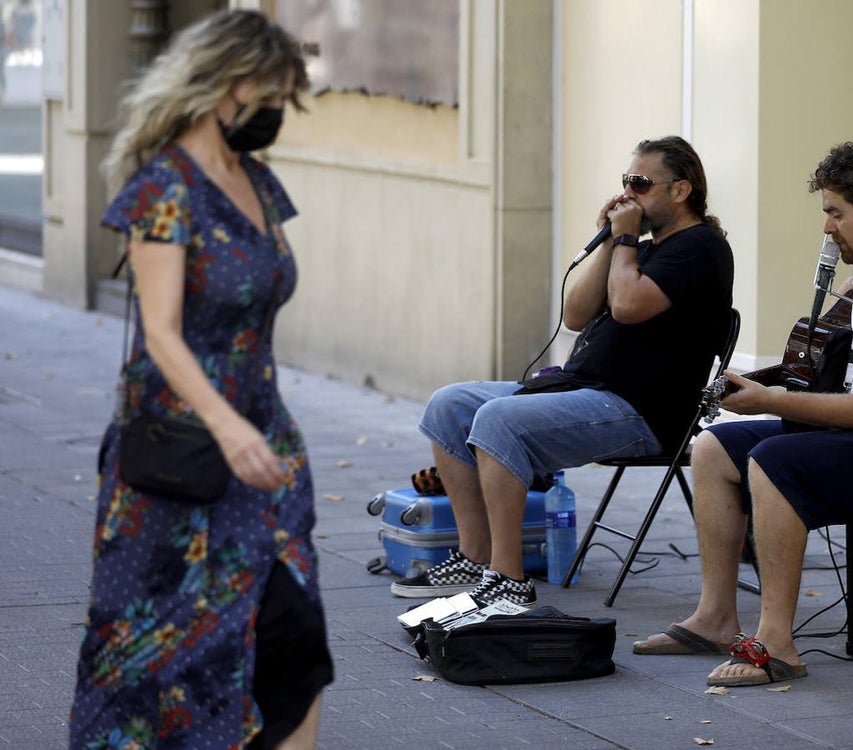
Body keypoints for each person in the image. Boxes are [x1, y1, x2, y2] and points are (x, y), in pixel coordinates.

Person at [69, 11, 333, 749]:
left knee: (294, 641)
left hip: (264, 448)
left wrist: (252, 426)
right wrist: (227, 424)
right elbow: (160, 332)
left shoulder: (256, 179)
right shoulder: (165, 189)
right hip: (180, 463)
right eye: (268, 95)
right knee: (168, 665)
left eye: (287, 97)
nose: (277, 112)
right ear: (222, 86)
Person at [632, 141, 853, 687]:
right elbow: (841, 356)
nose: (827, 228)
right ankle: (715, 618)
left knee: (776, 462)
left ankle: (778, 644)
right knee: (714, 449)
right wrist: (774, 376)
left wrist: (770, 399)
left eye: (835, 213)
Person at [395, 136, 735, 607]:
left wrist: (625, 240)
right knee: (448, 405)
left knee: (497, 419)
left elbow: (628, 305)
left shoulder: (699, 248)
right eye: (625, 183)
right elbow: (575, 315)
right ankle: (475, 557)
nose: (628, 194)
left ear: (680, 191)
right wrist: (608, 244)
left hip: (640, 410)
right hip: (583, 387)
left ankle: (507, 578)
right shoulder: (643, 246)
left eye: (640, 183)